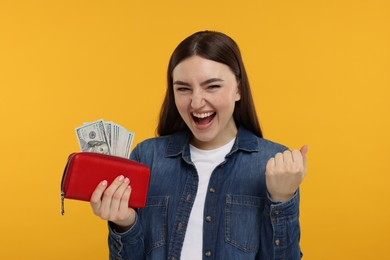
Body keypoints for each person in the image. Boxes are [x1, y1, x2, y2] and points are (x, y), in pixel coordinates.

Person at [90, 31, 308, 260]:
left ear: (239, 89)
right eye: (183, 88)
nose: (196, 102)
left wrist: (282, 199)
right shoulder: (147, 157)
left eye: (212, 86)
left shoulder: (273, 163)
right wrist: (125, 224)